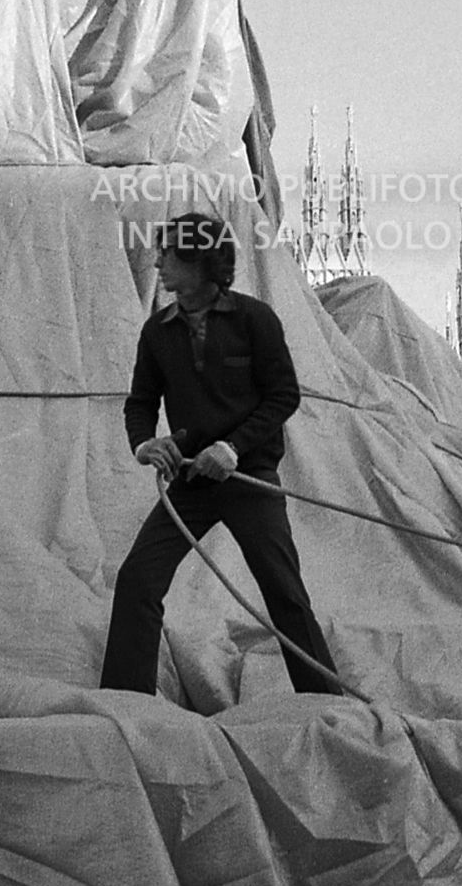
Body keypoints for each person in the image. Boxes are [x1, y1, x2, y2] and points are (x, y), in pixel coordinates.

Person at [100, 213, 340, 696]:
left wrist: (234, 447)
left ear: (201, 262)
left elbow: (283, 396)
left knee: (283, 590)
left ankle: (324, 700)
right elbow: (140, 403)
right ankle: (127, 701)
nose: (160, 261)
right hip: (191, 483)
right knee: (137, 580)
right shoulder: (157, 332)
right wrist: (146, 443)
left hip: (248, 477)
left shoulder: (255, 320)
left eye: (170, 253)